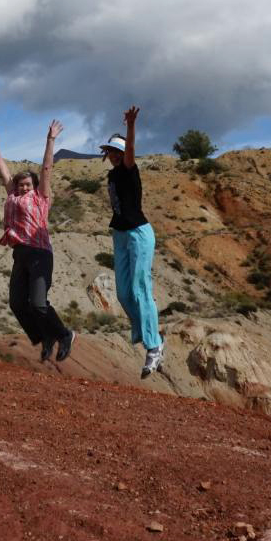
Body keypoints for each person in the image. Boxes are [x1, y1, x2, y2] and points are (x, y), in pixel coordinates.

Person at [0, 121, 73, 362]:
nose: (23, 187)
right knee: (17, 303)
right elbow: (4, 172)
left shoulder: (40, 198)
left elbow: (46, 168)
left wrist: (51, 140)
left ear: (34, 187)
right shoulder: (12, 195)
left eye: (27, 184)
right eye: (20, 184)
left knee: (37, 303)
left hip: (39, 253)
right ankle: (44, 337)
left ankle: (64, 335)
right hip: (20, 254)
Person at [101, 105, 162, 377]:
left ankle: (153, 346)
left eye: (118, 151)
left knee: (140, 288)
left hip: (139, 232)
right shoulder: (112, 174)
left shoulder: (128, 168)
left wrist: (130, 127)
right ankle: (147, 333)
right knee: (124, 293)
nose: (114, 156)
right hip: (120, 233)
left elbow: (130, 150)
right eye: (110, 151)